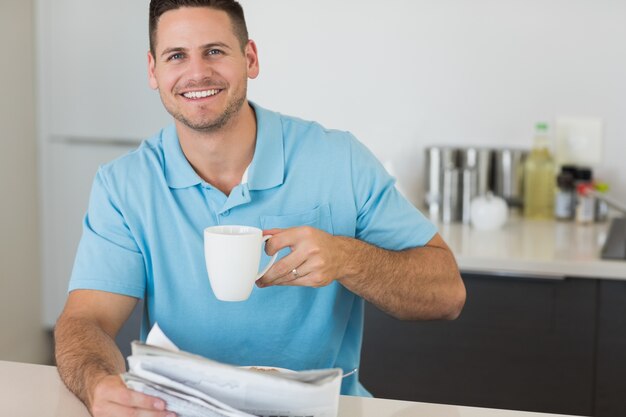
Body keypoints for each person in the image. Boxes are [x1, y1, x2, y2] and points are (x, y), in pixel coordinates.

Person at [54, 0, 466, 416]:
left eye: (214, 51)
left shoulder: (339, 160)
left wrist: (348, 259)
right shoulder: (124, 185)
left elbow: (447, 294)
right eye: (176, 55)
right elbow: (85, 320)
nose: (197, 72)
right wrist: (98, 385)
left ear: (250, 58)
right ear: (152, 71)